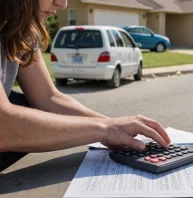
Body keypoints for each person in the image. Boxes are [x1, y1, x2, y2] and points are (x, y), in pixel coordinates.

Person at [0, 0, 170, 172]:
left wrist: (112, 127)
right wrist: (104, 129)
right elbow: (3, 126)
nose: (62, 4)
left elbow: (46, 96)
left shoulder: (25, 28)